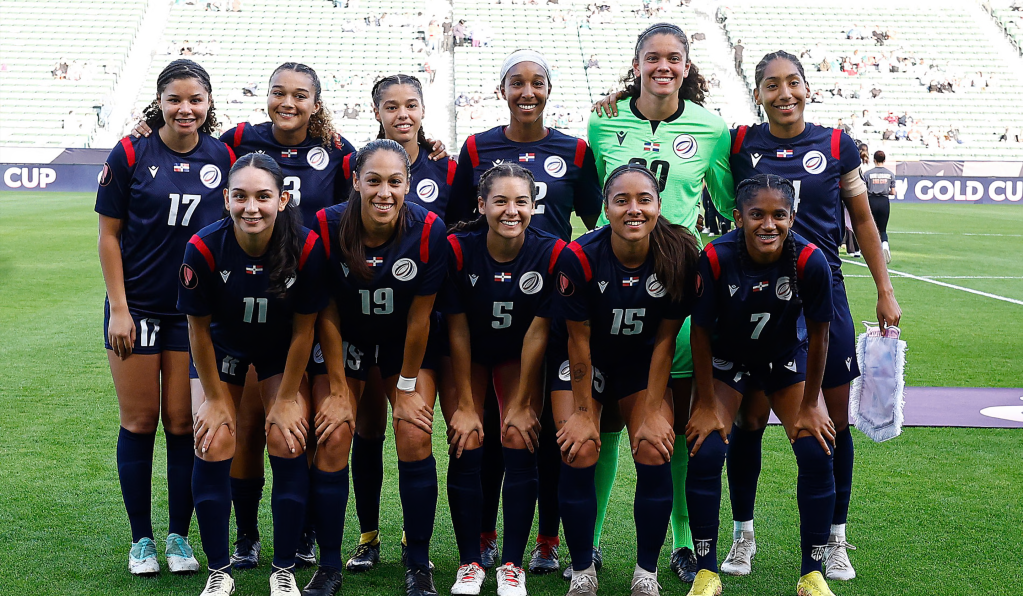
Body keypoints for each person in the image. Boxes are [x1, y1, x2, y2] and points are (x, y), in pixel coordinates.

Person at [725, 51, 901, 582]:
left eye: (793, 83)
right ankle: (742, 536)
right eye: (772, 85)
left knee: (832, 421)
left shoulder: (836, 144)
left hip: (823, 290)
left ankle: (835, 538)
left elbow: (863, 220)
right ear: (758, 94)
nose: (785, 93)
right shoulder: (739, 144)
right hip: (756, 295)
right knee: (749, 419)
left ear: (807, 88)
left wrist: (884, 289)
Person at [588, 22, 736, 584]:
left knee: (671, 418)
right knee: (602, 422)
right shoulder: (603, 120)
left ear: (687, 65)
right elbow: (589, 199)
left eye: (674, 58)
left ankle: (680, 543)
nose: (663, 67)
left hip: (678, 286)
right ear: (637, 64)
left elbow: (726, 203)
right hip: (613, 283)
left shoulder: (711, 128)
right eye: (653, 58)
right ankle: (593, 540)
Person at [449, 48, 604, 576]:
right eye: (517, 82)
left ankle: (546, 542)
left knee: (538, 433)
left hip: (547, 301)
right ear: (502, 89)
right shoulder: (476, 147)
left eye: (538, 82)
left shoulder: (576, 150)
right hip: (488, 300)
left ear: (550, 89)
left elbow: (593, 217)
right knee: (491, 432)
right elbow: (455, 221)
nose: (528, 91)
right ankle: (487, 539)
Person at [96, 58, 234, 579]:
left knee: (182, 423)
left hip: (191, 314)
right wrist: (121, 309)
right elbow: (109, 235)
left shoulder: (223, 155)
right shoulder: (132, 150)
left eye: (195, 99)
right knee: (138, 421)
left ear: (208, 104)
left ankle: (179, 536)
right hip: (136, 310)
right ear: (159, 101)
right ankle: (141, 540)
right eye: (175, 99)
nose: (185, 109)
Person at [179, 153, 329, 596]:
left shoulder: (306, 245)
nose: (252, 207)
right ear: (225, 199)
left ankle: (283, 568)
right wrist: (215, 398)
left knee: (286, 437)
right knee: (214, 439)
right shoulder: (203, 247)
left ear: (282, 199)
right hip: (222, 347)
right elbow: (198, 330)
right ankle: (219, 569)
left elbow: (305, 331)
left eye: (263, 197)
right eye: (240, 196)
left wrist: (285, 399)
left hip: (280, 348)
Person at [685, 174, 838, 596]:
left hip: (784, 358)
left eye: (778, 215)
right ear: (737, 217)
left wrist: (811, 403)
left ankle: (813, 572)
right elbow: (698, 332)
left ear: (793, 216)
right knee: (707, 446)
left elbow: (822, 334)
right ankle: (707, 569)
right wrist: (702, 403)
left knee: (815, 445)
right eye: (757, 215)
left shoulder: (809, 260)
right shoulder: (715, 257)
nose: (768, 224)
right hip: (728, 360)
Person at [552, 164, 699, 596]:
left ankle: (646, 573)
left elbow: (664, 343)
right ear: (605, 208)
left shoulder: (678, 255)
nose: (633, 210)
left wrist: (653, 410)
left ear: (658, 206)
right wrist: (582, 413)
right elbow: (577, 343)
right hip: (587, 363)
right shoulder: (578, 257)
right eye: (622, 201)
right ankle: (582, 571)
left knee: (655, 447)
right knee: (579, 448)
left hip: (640, 362)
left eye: (643, 200)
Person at [316, 139, 449, 596]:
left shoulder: (429, 228)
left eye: (395, 181)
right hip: (348, 339)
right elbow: (327, 311)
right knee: (336, 435)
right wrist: (336, 388)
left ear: (408, 183)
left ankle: (418, 563)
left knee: (413, 432)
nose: (383, 192)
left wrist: (408, 385)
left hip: (403, 343)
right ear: (355, 181)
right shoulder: (327, 225)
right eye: (372, 180)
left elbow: (419, 316)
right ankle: (331, 564)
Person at [342, 73, 456, 575]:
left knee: (412, 428)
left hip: (419, 317)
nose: (402, 113)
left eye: (412, 104)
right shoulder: (356, 161)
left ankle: (417, 545)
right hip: (358, 319)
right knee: (364, 429)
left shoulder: (445, 164)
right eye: (392, 105)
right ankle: (367, 536)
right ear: (377, 112)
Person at [440, 163, 566, 596]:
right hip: (470, 354)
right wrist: (465, 404)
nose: (511, 211)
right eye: (500, 201)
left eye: (521, 202)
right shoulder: (459, 248)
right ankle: (469, 562)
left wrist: (523, 401)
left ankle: (513, 564)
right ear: (481, 204)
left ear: (534, 206)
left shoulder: (551, 252)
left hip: (519, 356)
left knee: (517, 433)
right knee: (468, 435)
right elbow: (456, 327)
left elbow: (538, 332)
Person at [863, 151, 895, 263]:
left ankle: (872, 251)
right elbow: (893, 192)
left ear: (874, 160)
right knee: (883, 228)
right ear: (884, 160)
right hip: (884, 201)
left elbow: (864, 190)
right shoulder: (890, 174)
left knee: (871, 227)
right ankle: (885, 244)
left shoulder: (867, 174)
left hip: (871, 200)